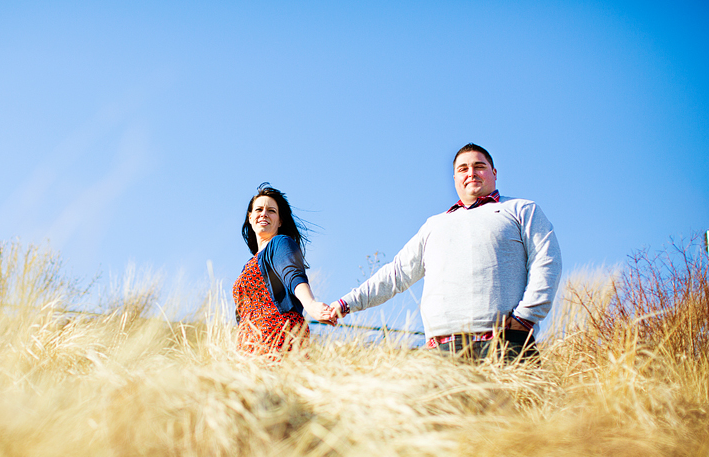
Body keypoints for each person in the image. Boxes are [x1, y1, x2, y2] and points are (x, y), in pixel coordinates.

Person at [330, 143, 562, 361]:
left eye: (479, 166)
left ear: (494, 172)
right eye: (463, 169)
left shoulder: (520, 209)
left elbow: (546, 261)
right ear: (455, 179)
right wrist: (345, 304)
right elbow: (396, 274)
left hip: (505, 342)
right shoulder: (434, 225)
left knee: (516, 406)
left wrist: (525, 317)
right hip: (442, 351)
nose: (471, 172)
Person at [233, 183, 335, 360]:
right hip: (247, 346)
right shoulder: (249, 264)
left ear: (280, 221)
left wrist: (310, 304)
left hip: (278, 337)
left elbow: (293, 274)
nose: (264, 214)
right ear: (250, 217)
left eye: (271, 210)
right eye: (258, 209)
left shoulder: (280, 243)